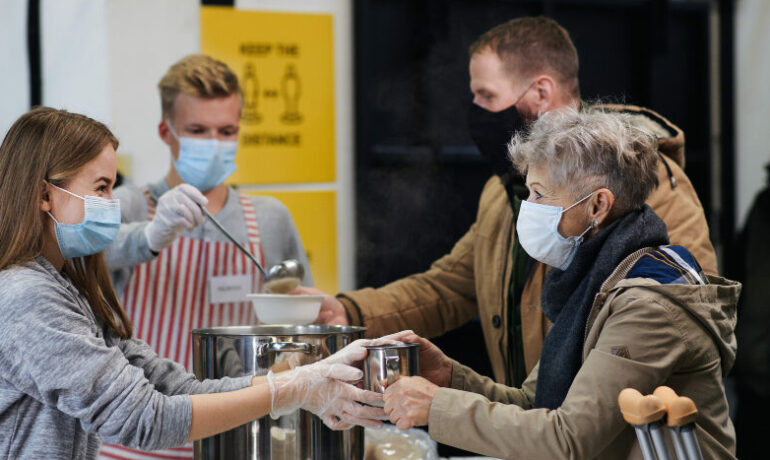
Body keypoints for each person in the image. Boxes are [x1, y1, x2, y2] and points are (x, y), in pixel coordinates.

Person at [306, 16, 717, 389]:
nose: (476, 112)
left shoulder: (646, 184)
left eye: (486, 96)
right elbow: (452, 285)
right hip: (529, 427)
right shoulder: (503, 190)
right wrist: (349, 311)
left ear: (540, 92)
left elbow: (689, 319)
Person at [0, 107, 387, 459]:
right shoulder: (27, 295)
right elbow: (140, 416)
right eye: (101, 188)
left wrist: (295, 381)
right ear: (44, 195)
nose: (111, 203)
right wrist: (289, 390)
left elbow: (171, 385)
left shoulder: (64, 286)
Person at [381, 109, 738, 459]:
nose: (529, 206)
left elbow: (567, 440)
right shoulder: (592, 279)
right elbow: (535, 405)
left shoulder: (647, 303)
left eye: (538, 193)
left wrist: (438, 407)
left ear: (598, 205)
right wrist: (450, 378)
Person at [101, 54, 314, 459]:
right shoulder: (126, 207)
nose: (214, 145)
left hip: (237, 437)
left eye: (226, 131)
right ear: (167, 131)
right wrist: (150, 234)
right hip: (133, 441)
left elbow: (299, 327)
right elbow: (74, 260)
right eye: (198, 131)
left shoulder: (269, 219)